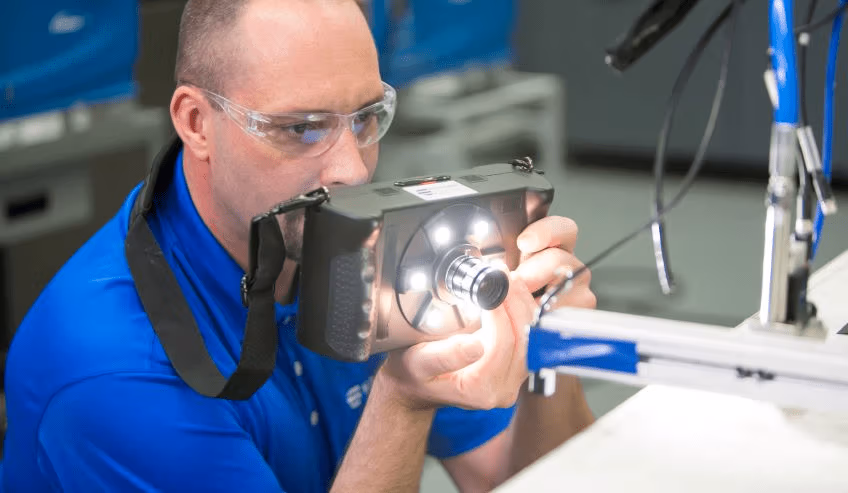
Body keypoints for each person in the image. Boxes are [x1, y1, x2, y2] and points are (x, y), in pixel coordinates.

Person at [2, 0, 597, 491]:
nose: (350, 172)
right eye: (300, 129)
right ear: (196, 122)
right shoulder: (115, 371)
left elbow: (525, 478)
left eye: (365, 120)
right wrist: (402, 399)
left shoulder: (343, 245)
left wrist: (552, 353)